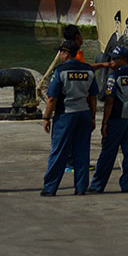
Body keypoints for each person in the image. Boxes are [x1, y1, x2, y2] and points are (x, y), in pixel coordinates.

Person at [41, 40, 98, 196]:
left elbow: (52, 98)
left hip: (65, 115)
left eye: (61, 52)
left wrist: (46, 117)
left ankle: (50, 188)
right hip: (84, 114)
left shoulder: (61, 72)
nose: (60, 55)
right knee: (82, 152)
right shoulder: (88, 71)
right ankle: (80, 187)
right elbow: (93, 97)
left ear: (66, 53)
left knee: (59, 152)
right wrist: (92, 117)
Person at [88, 46, 128, 193]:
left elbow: (109, 101)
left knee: (108, 153)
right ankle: (126, 185)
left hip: (116, 119)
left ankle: (97, 185)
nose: (111, 61)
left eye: (114, 58)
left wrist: (105, 122)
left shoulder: (113, 77)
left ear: (123, 60)